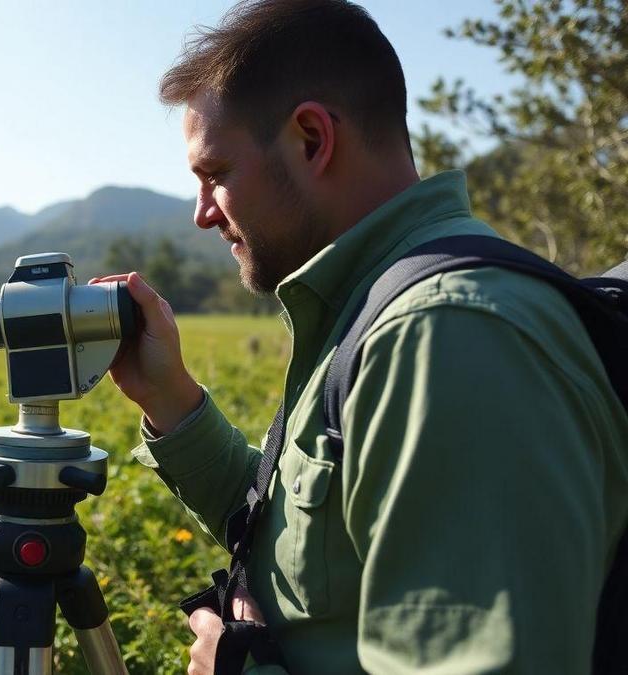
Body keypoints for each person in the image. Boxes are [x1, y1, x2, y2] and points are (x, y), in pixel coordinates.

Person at [90, 1, 628, 672]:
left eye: (216, 174)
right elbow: (300, 543)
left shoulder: (442, 338)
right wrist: (170, 399)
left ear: (312, 139)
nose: (203, 215)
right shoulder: (374, 308)